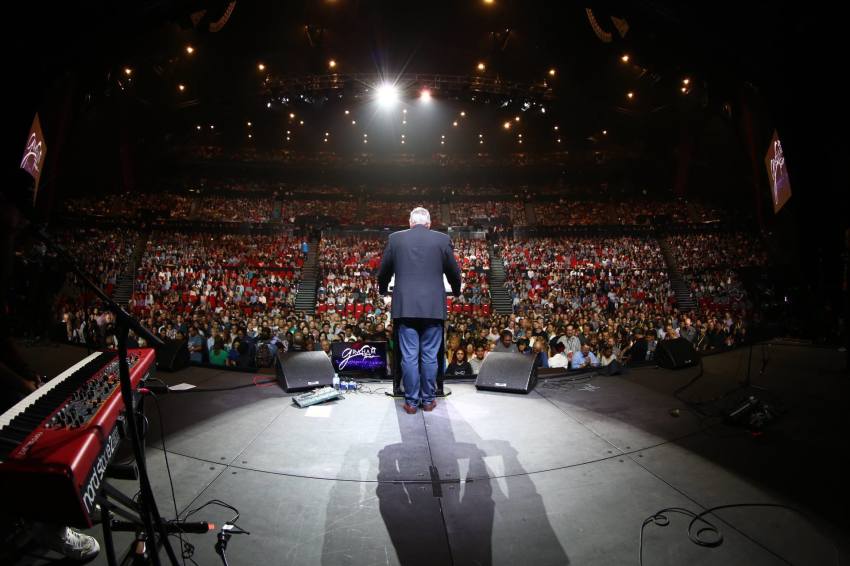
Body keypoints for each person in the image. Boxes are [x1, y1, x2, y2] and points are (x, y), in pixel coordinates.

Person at [377, 207, 461, 414]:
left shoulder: (395, 239)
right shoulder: (442, 240)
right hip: (433, 308)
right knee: (430, 356)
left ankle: (412, 403)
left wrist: (382, 289)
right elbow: (454, 272)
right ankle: (428, 400)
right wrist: (456, 290)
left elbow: (383, 271)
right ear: (429, 223)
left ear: (410, 222)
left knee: (409, 356)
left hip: (405, 308)